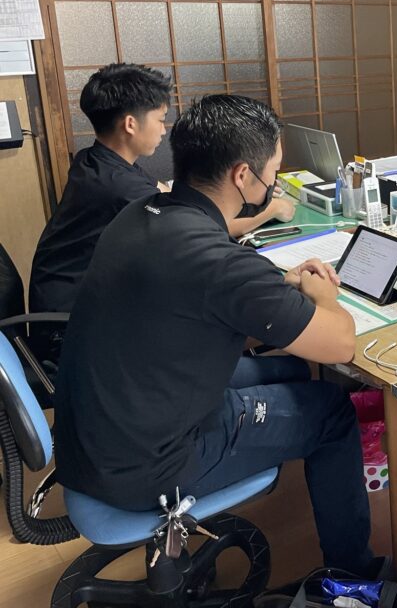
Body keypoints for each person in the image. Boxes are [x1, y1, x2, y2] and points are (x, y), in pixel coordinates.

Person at [52, 94, 375, 575]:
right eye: (273, 171)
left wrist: (277, 291)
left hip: (94, 435)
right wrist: (323, 297)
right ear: (243, 176)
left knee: (289, 367)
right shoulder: (220, 263)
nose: (274, 182)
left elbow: (194, 305)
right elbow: (341, 344)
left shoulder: (139, 213)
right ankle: (352, 575)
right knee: (332, 412)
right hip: (147, 465)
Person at [29, 63, 295, 316]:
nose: (163, 130)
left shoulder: (97, 160)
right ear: (131, 124)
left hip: (69, 292)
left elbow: (165, 194)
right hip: (72, 316)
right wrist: (271, 208)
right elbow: (203, 226)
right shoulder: (121, 188)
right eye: (160, 119)